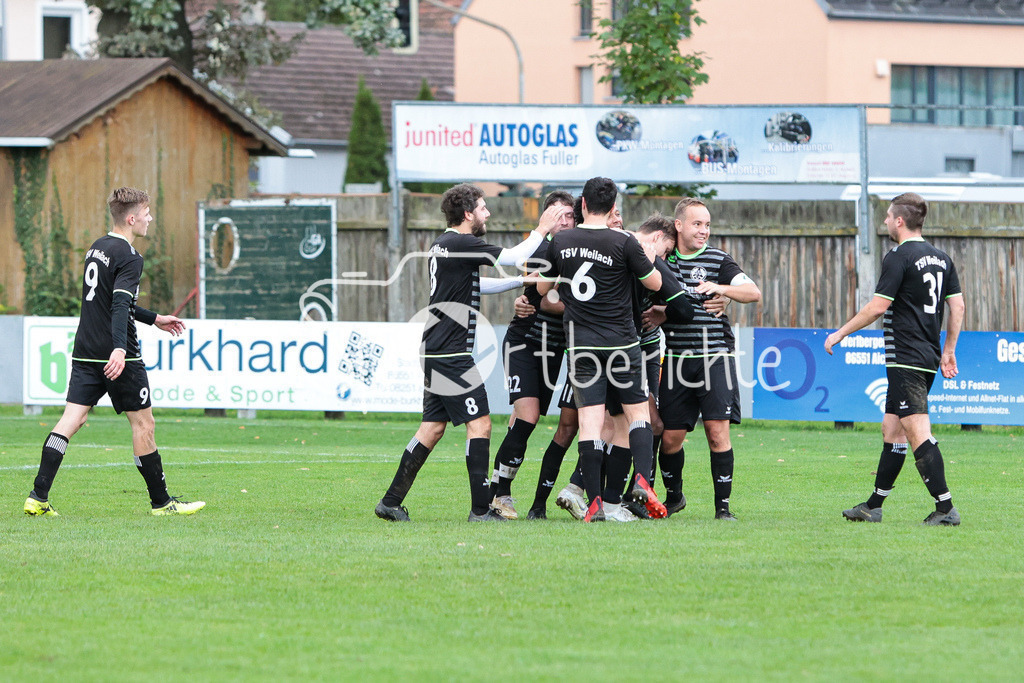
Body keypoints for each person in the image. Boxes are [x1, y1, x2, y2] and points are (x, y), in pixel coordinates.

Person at [375, 183, 565, 522]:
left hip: (437, 349)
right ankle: (481, 510)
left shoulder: (443, 244)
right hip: (450, 352)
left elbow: (478, 285)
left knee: (431, 429)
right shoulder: (462, 242)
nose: (487, 213)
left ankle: (390, 502)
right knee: (481, 424)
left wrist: (518, 283)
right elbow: (514, 257)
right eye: (482, 208)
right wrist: (542, 228)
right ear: (467, 214)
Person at [24, 187, 204, 517]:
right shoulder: (130, 257)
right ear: (132, 218)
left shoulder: (97, 248)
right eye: (147, 213)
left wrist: (154, 319)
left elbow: (112, 300)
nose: (150, 218)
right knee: (144, 425)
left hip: (86, 350)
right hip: (118, 356)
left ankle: (38, 496)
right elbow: (120, 304)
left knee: (71, 420)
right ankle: (162, 503)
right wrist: (120, 349)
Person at [825, 192, 964, 526]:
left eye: (887, 216)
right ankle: (873, 506)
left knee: (916, 431)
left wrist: (840, 333)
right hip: (927, 356)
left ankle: (945, 509)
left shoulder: (898, 256)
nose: (885, 221)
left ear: (899, 220)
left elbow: (878, 306)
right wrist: (948, 351)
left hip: (905, 357)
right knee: (893, 429)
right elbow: (957, 306)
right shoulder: (942, 258)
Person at [537, 177, 665, 522]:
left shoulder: (561, 240)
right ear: (612, 208)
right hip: (622, 343)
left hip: (581, 346)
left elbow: (542, 287)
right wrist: (646, 260)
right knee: (637, 415)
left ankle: (594, 505)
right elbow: (654, 283)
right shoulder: (623, 240)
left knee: (590, 424)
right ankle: (641, 480)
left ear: (581, 206)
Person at [645, 197, 761, 521]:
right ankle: (675, 496)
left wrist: (722, 289)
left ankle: (722, 509)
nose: (704, 231)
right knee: (670, 439)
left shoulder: (719, 259)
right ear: (679, 225)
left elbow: (753, 292)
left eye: (707, 225)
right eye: (697, 224)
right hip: (678, 359)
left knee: (716, 431)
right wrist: (661, 313)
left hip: (715, 358)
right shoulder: (662, 260)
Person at [489, 190, 575, 520]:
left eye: (569, 215)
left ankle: (496, 490)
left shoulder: (578, 250)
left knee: (523, 422)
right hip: (524, 341)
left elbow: (546, 298)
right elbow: (543, 299)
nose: (564, 221)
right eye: (557, 216)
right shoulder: (538, 249)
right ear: (545, 221)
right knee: (527, 417)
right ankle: (499, 495)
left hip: (554, 348)